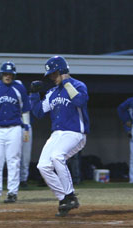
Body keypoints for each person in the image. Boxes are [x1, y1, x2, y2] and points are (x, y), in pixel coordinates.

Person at [30, 56, 89, 217]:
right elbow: (38, 113)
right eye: (50, 74)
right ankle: (63, 198)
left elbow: (80, 101)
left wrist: (66, 81)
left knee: (57, 156)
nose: (51, 77)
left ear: (62, 71)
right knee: (43, 165)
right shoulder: (52, 92)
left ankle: (70, 195)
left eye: (54, 73)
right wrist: (34, 94)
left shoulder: (77, 85)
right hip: (57, 134)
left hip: (75, 132)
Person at [0, 61, 31, 204]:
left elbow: (25, 110)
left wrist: (26, 128)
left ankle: (12, 192)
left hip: (15, 128)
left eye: (10, 74)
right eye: (5, 74)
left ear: (14, 75)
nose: (8, 76)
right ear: (1, 74)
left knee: (13, 161)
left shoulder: (19, 88)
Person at [20, 107, 33, 188]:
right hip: (12, 125)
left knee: (26, 155)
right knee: (13, 155)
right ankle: (13, 179)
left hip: (26, 127)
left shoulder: (28, 96)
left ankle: (23, 179)